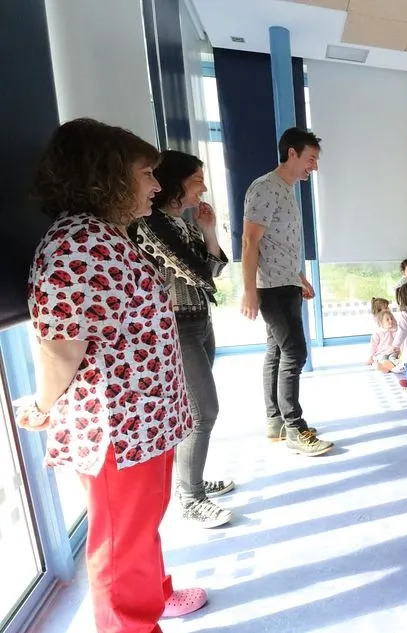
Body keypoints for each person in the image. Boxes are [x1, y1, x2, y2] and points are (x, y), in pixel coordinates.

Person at [17, 118, 205, 631]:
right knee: (121, 545)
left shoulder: (103, 236)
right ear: (106, 176)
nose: (156, 186)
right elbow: (60, 348)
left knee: (137, 531)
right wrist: (42, 405)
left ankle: (157, 595)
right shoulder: (77, 246)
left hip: (142, 421)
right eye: (146, 174)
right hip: (119, 427)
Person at [133, 150, 233, 528]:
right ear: (174, 183)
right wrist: (205, 261)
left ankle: (191, 481)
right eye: (196, 181)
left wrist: (208, 231)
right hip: (177, 328)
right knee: (202, 412)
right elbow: (199, 274)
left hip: (199, 322)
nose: (203, 189)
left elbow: (213, 271)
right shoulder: (151, 224)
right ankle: (191, 498)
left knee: (194, 412)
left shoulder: (181, 223)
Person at [240, 127, 333, 456]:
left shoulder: (287, 190)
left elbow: (279, 243)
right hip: (271, 287)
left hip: (287, 282)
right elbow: (250, 242)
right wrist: (249, 291)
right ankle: (295, 427)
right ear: (292, 153)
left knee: (278, 351)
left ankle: (275, 421)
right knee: (294, 352)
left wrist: (300, 277)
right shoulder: (265, 188)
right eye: (311, 159)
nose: (314, 167)